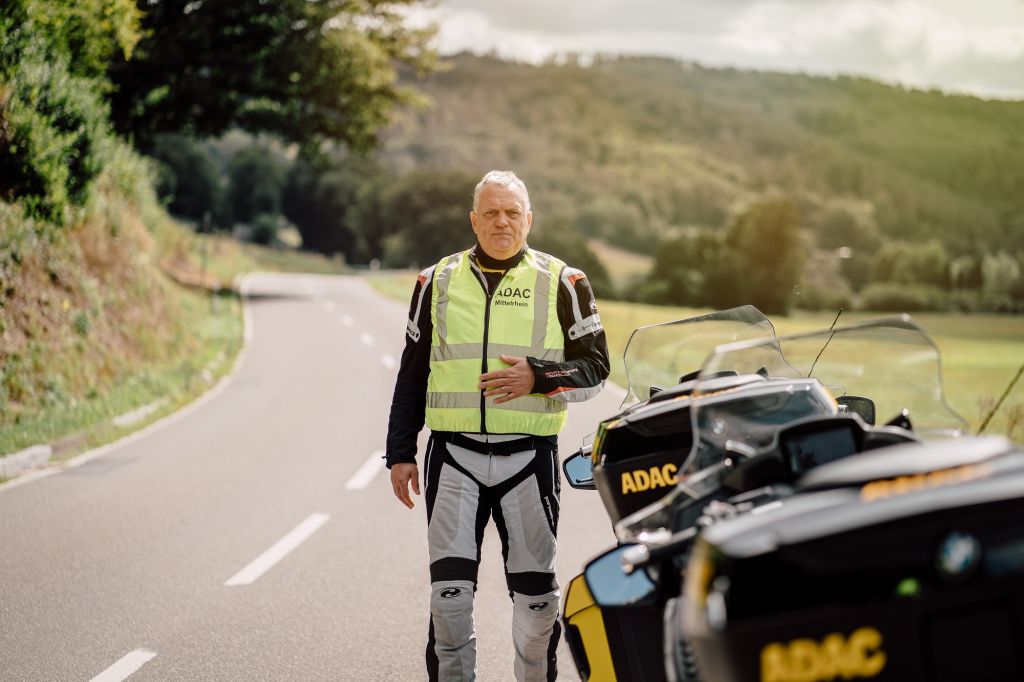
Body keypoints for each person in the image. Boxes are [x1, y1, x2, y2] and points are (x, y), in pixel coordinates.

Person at [386, 170, 610, 681]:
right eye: (491, 212)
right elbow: (412, 372)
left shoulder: (565, 282)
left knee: (536, 607)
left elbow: (597, 369)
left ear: (529, 220)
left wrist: (539, 376)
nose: (501, 221)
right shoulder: (434, 281)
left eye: (512, 212)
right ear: (473, 220)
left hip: (529, 462)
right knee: (449, 604)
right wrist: (400, 451)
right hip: (454, 459)